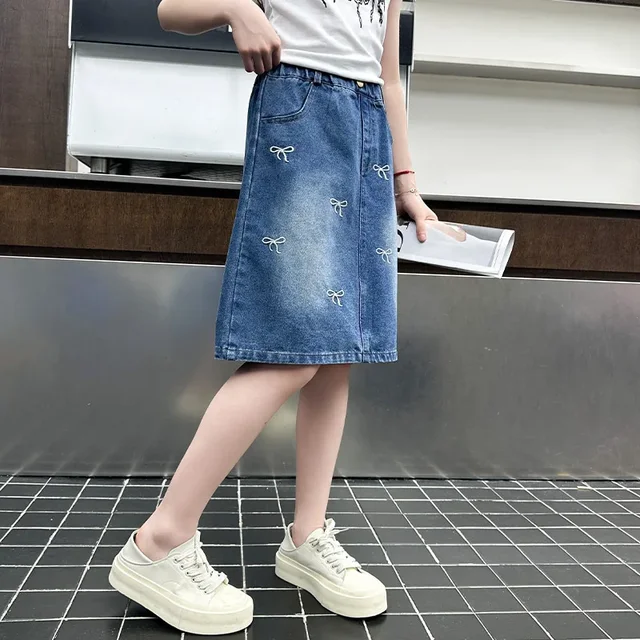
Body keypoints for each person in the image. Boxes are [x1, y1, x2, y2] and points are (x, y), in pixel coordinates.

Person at [109, 0, 438, 635]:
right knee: (293, 350)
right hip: (304, 112)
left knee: (340, 351)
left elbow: (387, 74)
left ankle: (307, 536)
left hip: (369, 129)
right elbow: (171, 10)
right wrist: (236, 7)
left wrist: (406, 183)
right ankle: (160, 540)